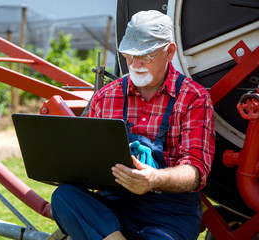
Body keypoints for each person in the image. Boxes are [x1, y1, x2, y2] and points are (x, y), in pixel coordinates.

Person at [51, 10, 215, 240]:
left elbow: (196, 171)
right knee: (64, 197)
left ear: (169, 52)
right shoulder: (105, 97)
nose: (135, 64)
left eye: (145, 56)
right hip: (112, 205)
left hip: (168, 213)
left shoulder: (193, 98)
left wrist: (155, 179)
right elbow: (87, 158)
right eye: (129, 55)